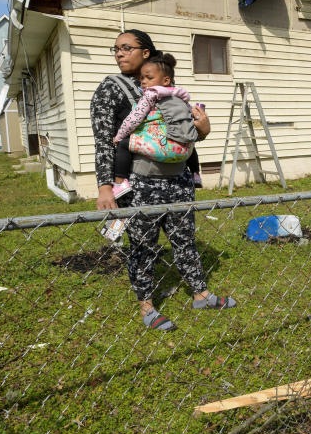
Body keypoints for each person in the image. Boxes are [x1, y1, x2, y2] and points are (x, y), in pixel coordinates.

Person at [91, 29, 236, 332]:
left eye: (126, 48)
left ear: (145, 52)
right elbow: (104, 141)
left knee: (185, 239)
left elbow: (183, 132)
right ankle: (147, 305)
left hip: (178, 178)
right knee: (143, 245)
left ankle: (200, 294)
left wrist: (204, 129)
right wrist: (106, 186)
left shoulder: (164, 82)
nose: (119, 53)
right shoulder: (111, 89)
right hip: (142, 182)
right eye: (115, 49)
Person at [110, 54, 203, 198]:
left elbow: (134, 118)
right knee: (188, 138)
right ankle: (196, 173)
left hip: (163, 148)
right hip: (183, 153)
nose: (143, 82)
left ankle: (120, 182)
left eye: (149, 78)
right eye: (141, 78)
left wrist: (120, 135)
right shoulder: (180, 96)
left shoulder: (151, 95)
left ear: (166, 80)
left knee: (123, 145)